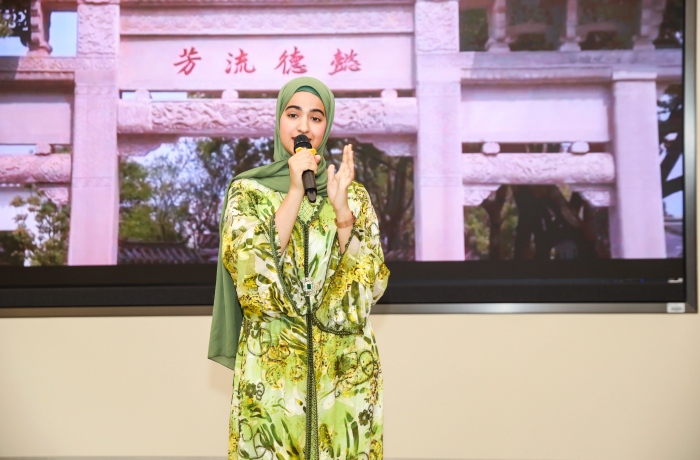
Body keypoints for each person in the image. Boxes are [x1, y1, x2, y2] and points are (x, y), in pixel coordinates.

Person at [208, 76, 390, 460]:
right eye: (293, 115)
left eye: (316, 117)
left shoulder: (351, 193)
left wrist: (342, 213)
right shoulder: (247, 191)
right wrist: (294, 191)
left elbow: (368, 290)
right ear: (279, 120)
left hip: (345, 375)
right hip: (271, 375)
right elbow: (251, 278)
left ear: (326, 127)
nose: (303, 126)